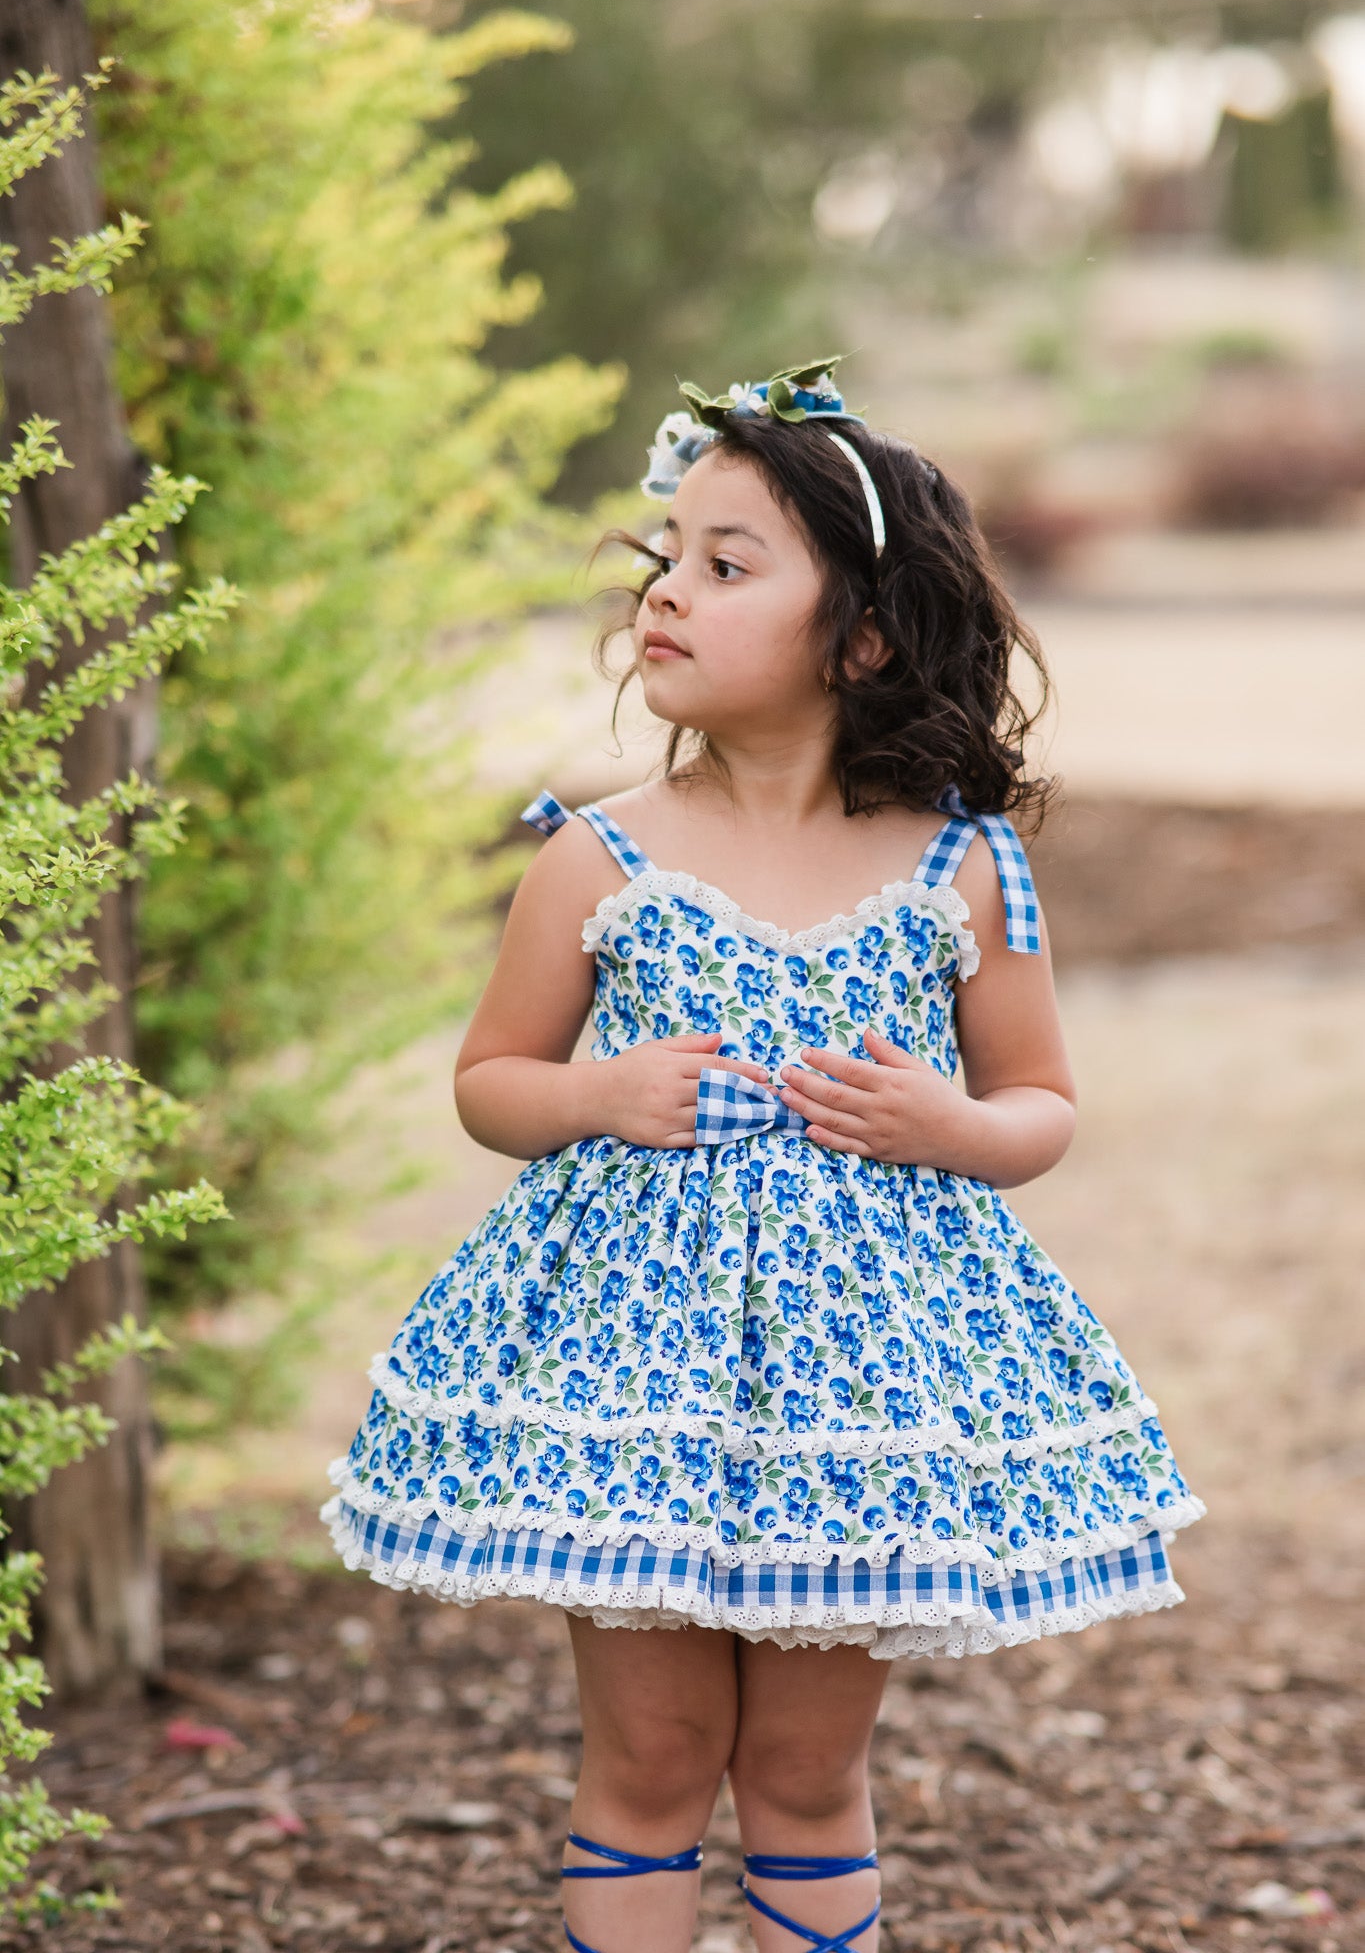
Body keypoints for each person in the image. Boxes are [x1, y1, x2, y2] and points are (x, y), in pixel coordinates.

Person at [320, 356, 1206, 1953]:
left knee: (805, 1771)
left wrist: (952, 1129)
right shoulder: (593, 857)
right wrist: (596, 1098)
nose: (666, 592)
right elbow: (490, 1081)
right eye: (665, 557)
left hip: (853, 1391)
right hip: (630, 1375)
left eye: (726, 566)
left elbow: (1040, 1105)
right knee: (651, 1757)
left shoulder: (962, 865)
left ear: (861, 635)